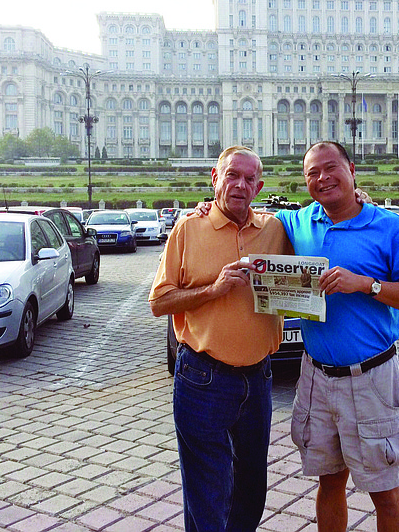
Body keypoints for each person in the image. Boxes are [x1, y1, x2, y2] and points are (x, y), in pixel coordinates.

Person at [276, 141, 399, 532]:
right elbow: (250, 223)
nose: (323, 178)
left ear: (352, 170)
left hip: (371, 379)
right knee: (329, 482)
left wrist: (365, 284)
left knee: (385, 490)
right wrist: (208, 206)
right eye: (312, 173)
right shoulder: (298, 222)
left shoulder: (389, 227)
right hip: (315, 377)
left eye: (331, 168)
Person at [149, 145, 293, 532]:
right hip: (202, 378)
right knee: (208, 492)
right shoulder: (188, 228)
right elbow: (159, 302)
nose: (240, 185)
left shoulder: (275, 229)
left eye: (249, 179)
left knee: (251, 489)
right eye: (232, 175)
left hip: (259, 380)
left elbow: (323, 221)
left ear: (259, 187)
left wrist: (357, 197)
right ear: (215, 178)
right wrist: (211, 290)